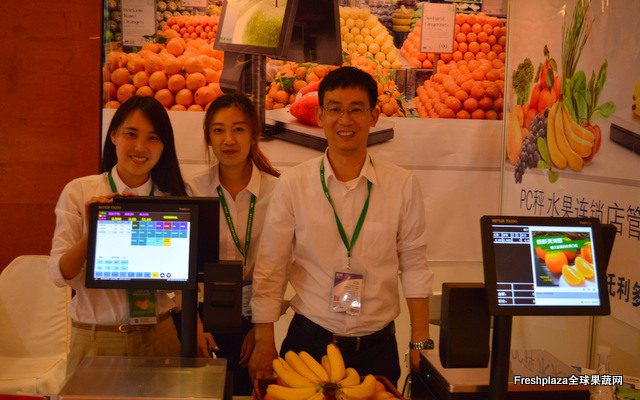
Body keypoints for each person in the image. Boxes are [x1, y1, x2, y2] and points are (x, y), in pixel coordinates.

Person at [249, 66, 434, 387]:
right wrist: (264, 341)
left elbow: (415, 266)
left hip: (378, 350)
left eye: (356, 110)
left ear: (374, 116)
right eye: (335, 109)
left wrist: (420, 341)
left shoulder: (402, 185)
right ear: (319, 116)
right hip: (309, 344)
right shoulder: (294, 184)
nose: (345, 120)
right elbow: (271, 267)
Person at [48, 96, 188, 379]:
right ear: (113, 135)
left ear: (164, 146)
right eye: (131, 134)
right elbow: (59, 274)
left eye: (153, 138)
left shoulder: (174, 198)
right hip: (98, 338)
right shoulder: (79, 191)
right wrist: (93, 232)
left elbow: (188, 279)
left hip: (160, 335)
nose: (140, 147)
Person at [185, 93, 280, 395]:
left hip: (256, 316)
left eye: (238, 129)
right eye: (218, 130)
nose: (228, 139)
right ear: (208, 137)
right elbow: (180, 267)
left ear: (254, 134)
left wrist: (262, 330)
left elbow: (284, 267)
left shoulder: (278, 192)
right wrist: (194, 326)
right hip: (202, 317)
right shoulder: (192, 190)